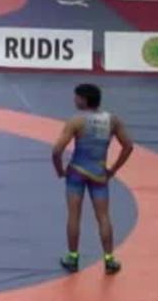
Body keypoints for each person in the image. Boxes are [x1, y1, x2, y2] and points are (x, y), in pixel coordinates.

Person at [51, 83, 134, 275]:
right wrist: (113, 170)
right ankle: (109, 260)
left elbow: (56, 151)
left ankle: (72, 258)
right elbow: (128, 146)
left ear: (83, 100)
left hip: (76, 173)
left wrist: (59, 170)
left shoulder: (76, 121)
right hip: (99, 174)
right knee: (103, 216)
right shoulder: (112, 120)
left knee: (74, 215)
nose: (74, 100)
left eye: (76, 97)